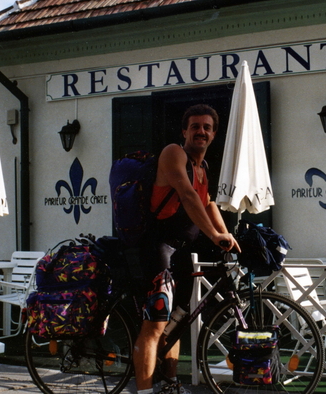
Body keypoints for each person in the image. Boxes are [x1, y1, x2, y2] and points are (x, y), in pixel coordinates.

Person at [133, 104, 240, 394]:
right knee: (155, 325)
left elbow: (208, 203)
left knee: (177, 321)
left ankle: (168, 382)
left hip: (181, 251)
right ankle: (143, 392)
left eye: (207, 127)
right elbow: (188, 195)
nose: (201, 131)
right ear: (184, 131)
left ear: (214, 133)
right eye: (195, 126)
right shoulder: (173, 153)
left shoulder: (203, 167)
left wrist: (224, 233)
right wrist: (214, 235)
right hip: (158, 249)